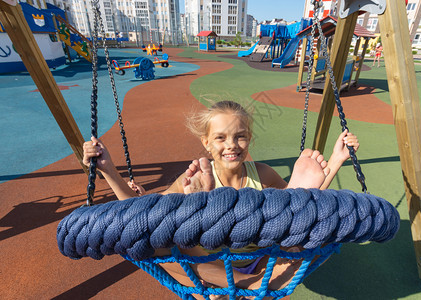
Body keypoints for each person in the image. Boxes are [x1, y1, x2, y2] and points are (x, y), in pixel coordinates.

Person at [83, 100, 359, 296]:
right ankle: (243, 284)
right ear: (206, 142)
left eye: (240, 137)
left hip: (262, 261)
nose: (231, 145)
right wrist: (108, 171)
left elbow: (303, 214)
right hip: (206, 264)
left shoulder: (261, 174)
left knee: (306, 224)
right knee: (152, 238)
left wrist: (336, 160)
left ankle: (231, 287)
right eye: (220, 138)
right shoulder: (193, 178)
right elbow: (142, 219)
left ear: (249, 139)